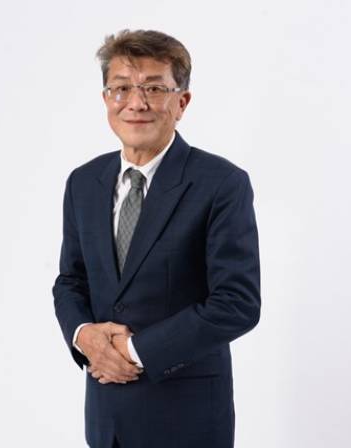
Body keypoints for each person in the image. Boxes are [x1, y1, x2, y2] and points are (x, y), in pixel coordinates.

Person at [52, 29, 261, 448]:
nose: (136, 102)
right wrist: (83, 336)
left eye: (154, 88)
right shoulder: (83, 182)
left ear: (182, 102)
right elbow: (71, 281)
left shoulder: (221, 184)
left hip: (186, 418)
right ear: (106, 99)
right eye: (122, 88)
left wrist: (134, 351)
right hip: (106, 417)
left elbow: (237, 303)